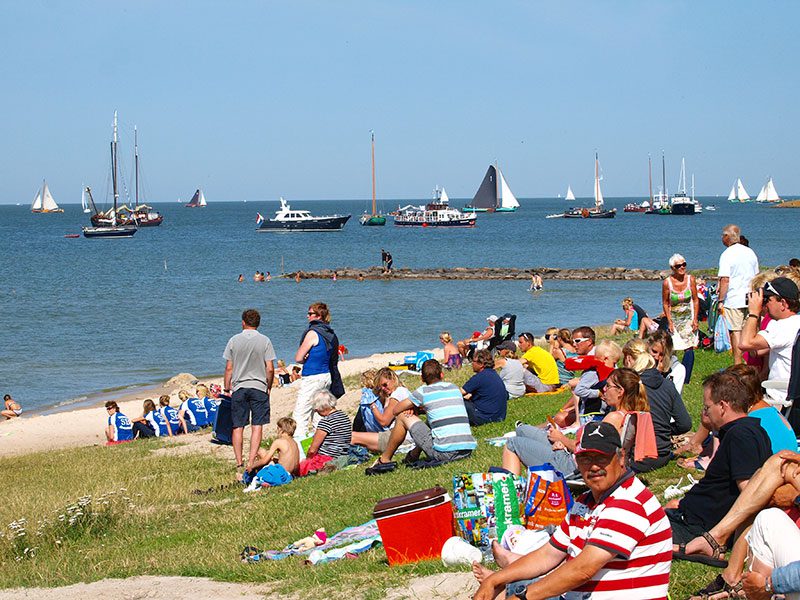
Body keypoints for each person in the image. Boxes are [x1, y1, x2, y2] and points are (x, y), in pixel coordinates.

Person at [473, 421, 672, 600]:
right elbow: (548, 554)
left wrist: (525, 597)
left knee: (522, 591)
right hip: (578, 593)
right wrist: (495, 579)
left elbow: (583, 569)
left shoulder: (629, 501)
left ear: (621, 458)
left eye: (601, 458)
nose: (593, 466)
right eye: (585, 458)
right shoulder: (587, 501)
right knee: (515, 586)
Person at [666, 372, 771, 551]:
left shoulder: (740, 436)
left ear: (722, 406)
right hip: (692, 520)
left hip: (695, 527)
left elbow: (750, 492)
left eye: (707, 407)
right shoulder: (753, 431)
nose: (705, 413)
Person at [502, 365, 640, 478]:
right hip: (571, 456)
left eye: (608, 386)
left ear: (620, 391)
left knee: (513, 443)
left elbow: (590, 452)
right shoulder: (627, 414)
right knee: (522, 430)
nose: (604, 389)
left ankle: (510, 489)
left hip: (571, 466)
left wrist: (561, 438)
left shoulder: (613, 418)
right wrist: (564, 443)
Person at [365, 359, 475, 474]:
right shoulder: (454, 388)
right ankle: (414, 454)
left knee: (403, 416)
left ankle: (384, 459)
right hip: (467, 450)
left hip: (445, 453)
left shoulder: (423, 392)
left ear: (422, 379)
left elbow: (396, 410)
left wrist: (413, 407)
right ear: (442, 375)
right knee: (431, 421)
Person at [622, 339, 692, 472]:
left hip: (636, 457)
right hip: (662, 454)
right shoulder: (667, 384)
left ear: (629, 359)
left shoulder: (629, 386)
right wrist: (663, 430)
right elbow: (685, 424)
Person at [223, 308, 276, 470]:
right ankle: (251, 461)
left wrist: (226, 387)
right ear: (258, 323)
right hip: (259, 386)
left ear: (243, 322)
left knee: (238, 426)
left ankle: (239, 462)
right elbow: (270, 368)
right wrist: (268, 386)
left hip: (239, 386)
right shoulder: (265, 340)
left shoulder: (234, 340)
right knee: (257, 425)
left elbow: (229, 368)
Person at [740, 276, 800, 408]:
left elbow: (745, 344)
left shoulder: (783, 326)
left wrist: (753, 313)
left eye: (768, 300)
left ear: (783, 303)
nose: (765, 304)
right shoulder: (795, 323)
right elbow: (756, 351)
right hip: (791, 394)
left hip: (779, 397)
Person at [293, 302, 344, 442]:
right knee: (319, 411)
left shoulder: (312, 333)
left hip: (313, 376)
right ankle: (320, 442)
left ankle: (299, 444)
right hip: (326, 375)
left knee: (301, 412)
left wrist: (305, 358)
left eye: (310, 314)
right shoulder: (329, 333)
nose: (307, 316)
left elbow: (298, 357)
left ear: (319, 315)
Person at [718, 224, 760, 364]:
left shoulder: (727, 254)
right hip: (750, 297)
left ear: (727, 237)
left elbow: (725, 279)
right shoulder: (750, 252)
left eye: (723, 235)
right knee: (751, 329)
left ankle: (738, 363)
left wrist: (720, 300)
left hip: (734, 298)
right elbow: (757, 276)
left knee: (735, 331)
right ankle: (754, 362)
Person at [351, 368, 411, 452]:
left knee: (352, 436)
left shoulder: (397, 394)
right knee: (358, 438)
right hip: (400, 436)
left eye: (385, 385)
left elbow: (383, 422)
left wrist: (372, 405)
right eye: (381, 387)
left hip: (395, 438)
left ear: (393, 379)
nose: (383, 388)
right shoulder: (402, 392)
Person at [662, 253, 699, 384]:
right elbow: (665, 303)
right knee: (673, 347)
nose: (682, 267)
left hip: (688, 317)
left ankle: (686, 377)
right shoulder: (667, 283)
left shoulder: (691, 279)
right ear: (673, 268)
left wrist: (695, 319)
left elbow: (695, 300)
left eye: (684, 264)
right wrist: (669, 321)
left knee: (689, 346)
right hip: (674, 318)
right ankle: (670, 372)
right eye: (679, 266)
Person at [297, 390, 352, 476]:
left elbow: (312, 450)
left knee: (299, 467)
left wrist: (307, 460)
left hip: (326, 458)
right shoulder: (344, 416)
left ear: (322, 407)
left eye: (316, 409)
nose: (316, 411)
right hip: (342, 455)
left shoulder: (326, 422)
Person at [241, 417, 301, 491]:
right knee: (266, 455)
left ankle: (247, 478)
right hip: (291, 475)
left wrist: (252, 466)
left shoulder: (279, 441)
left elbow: (264, 461)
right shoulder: (294, 442)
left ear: (281, 429)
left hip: (281, 474)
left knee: (261, 453)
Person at [461, 349, 508, 426]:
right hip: (500, 416)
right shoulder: (493, 374)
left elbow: (458, 393)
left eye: (473, 361)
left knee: (459, 402)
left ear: (481, 364)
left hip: (485, 418)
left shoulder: (479, 377)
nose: (472, 363)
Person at [646, 328, 687, 394]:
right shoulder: (642, 362)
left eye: (662, 354)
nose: (657, 357)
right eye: (654, 351)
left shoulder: (677, 369)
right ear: (648, 346)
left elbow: (672, 397)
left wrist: (658, 375)